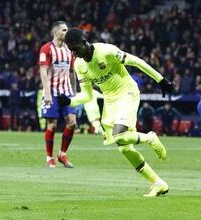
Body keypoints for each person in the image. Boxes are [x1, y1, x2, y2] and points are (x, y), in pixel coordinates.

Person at [58, 28, 174, 197]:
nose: (73, 53)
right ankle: (158, 183)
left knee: (119, 135)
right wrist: (70, 101)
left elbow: (136, 62)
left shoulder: (106, 51)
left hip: (127, 92)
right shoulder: (79, 65)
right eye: (70, 49)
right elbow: (87, 95)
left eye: (75, 48)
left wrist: (160, 80)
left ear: (84, 42)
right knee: (124, 148)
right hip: (110, 101)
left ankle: (150, 137)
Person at [39, 21, 77, 168]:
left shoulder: (70, 50)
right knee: (52, 125)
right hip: (52, 92)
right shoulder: (46, 49)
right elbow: (43, 70)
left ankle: (62, 154)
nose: (67, 32)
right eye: (64, 30)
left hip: (66, 92)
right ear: (55, 32)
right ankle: (49, 158)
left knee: (72, 123)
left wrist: (74, 92)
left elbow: (72, 71)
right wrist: (47, 92)